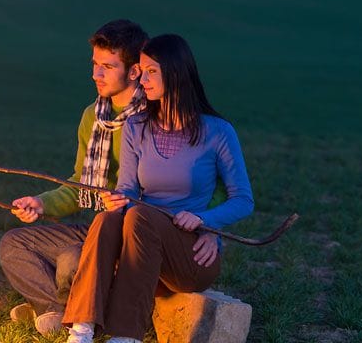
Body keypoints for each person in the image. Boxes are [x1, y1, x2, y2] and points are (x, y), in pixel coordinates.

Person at [61, 34, 255, 343]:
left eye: (151, 71)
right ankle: (81, 329)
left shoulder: (217, 132)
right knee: (106, 219)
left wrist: (206, 222)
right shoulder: (137, 126)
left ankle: (126, 336)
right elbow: (127, 188)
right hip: (142, 250)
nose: (142, 78)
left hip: (190, 255)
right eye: (140, 70)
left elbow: (244, 200)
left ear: (175, 73)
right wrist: (117, 200)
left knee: (140, 216)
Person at [0, 19, 148, 335]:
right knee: (13, 245)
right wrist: (40, 203)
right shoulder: (92, 116)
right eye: (95, 64)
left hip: (135, 237)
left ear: (134, 71)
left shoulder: (155, 118)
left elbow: (175, 186)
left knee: (71, 260)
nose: (96, 74)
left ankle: (65, 306)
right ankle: (55, 307)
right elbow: (81, 181)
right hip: (97, 228)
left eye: (107, 66)